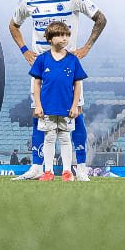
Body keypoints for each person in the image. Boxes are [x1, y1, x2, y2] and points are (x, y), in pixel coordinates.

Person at [9, 0, 107, 181]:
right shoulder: (28, 1)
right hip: (42, 66)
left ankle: (80, 168)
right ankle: (37, 168)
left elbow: (101, 19)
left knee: (76, 115)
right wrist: (25, 50)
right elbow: (13, 25)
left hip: (67, 66)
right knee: (39, 115)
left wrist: (86, 47)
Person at [29, 21, 87, 181]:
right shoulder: (41, 59)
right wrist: (38, 105)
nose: (64, 38)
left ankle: (67, 172)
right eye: (60, 35)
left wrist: (75, 106)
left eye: (67, 35)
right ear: (50, 38)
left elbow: (77, 84)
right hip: (47, 107)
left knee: (65, 138)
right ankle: (48, 172)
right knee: (49, 138)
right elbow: (36, 83)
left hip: (66, 108)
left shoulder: (73, 60)